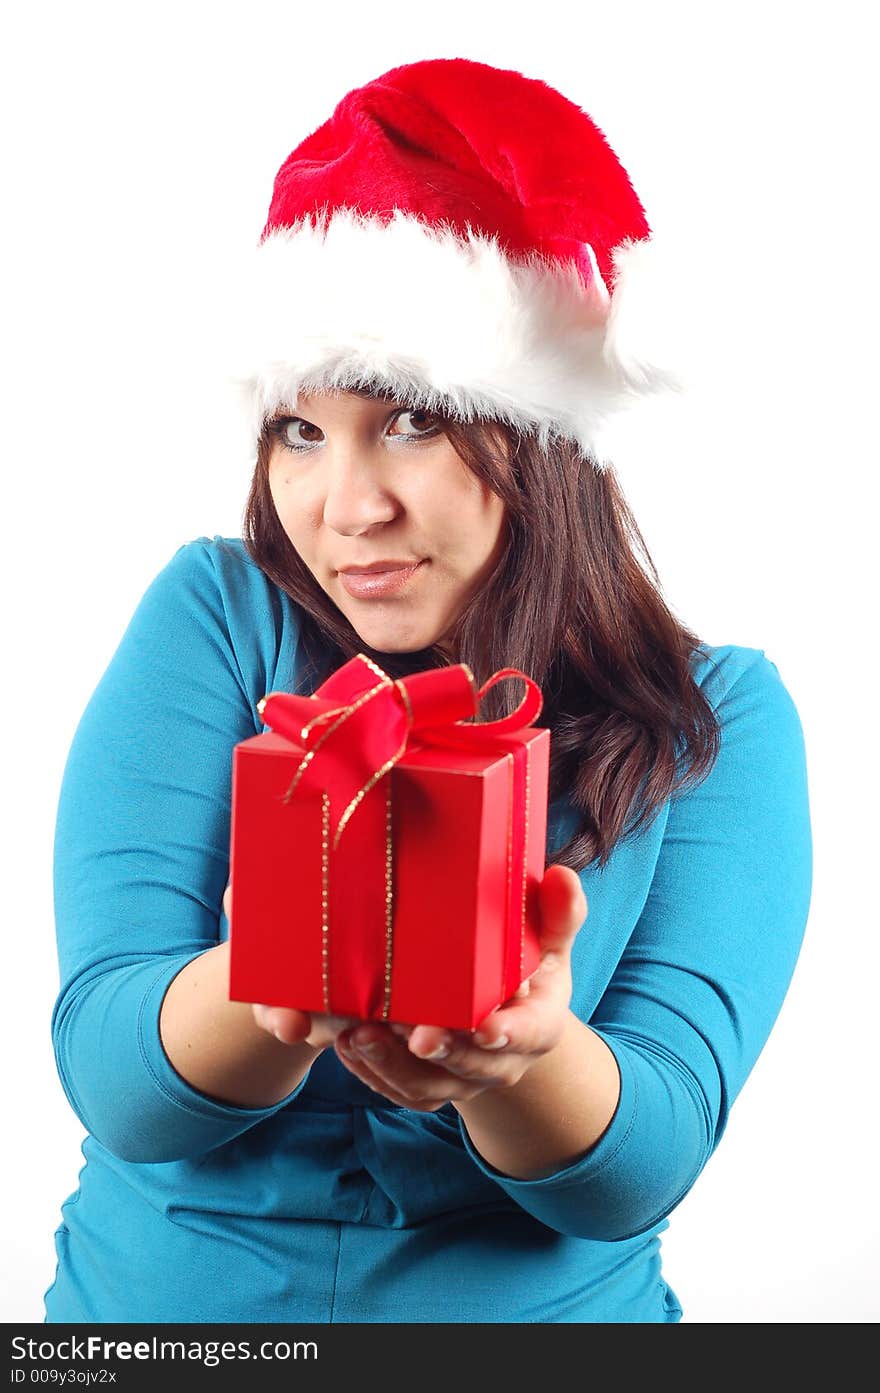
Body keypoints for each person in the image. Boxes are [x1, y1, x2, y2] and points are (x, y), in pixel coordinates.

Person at [44, 57, 812, 1325]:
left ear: (545, 432)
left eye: (407, 422)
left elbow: (644, 1159)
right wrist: (272, 981)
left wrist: (519, 1052)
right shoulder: (218, 617)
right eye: (299, 430)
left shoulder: (711, 721)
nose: (346, 509)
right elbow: (116, 1077)